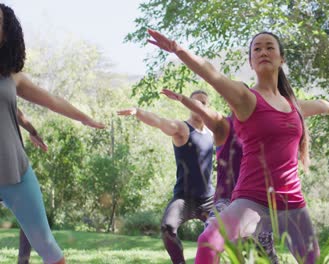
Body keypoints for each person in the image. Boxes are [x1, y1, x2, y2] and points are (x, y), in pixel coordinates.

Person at [147, 29, 329, 264]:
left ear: (281, 58)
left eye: (270, 47)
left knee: (313, 260)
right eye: (257, 49)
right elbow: (211, 74)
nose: (263, 52)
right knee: (209, 241)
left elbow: (320, 104)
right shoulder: (245, 98)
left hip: (292, 201)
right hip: (252, 199)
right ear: (251, 61)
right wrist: (179, 50)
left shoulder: (292, 105)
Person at [0, 4, 105, 264]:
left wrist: (84, 118)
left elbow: (52, 100)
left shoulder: (12, 77)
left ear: (5, 34)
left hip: (15, 171)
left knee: (47, 246)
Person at [161, 88, 279, 263]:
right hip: (226, 200)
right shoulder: (223, 125)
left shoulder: (260, 129)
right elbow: (202, 110)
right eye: (236, 98)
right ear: (229, 102)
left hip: (255, 201)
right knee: (211, 237)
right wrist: (182, 98)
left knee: (264, 252)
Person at [117, 90, 215, 264]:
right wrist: (139, 112)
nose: (200, 106)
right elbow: (160, 122)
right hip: (183, 199)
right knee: (168, 228)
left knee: (226, 233)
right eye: (196, 102)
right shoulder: (182, 129)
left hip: (208, 199)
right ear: (189, 105)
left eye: (204, 103)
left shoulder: (212, 133)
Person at [16, 108, 48, 264]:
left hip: (10, 161)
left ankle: (23, 260)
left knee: (28, 209)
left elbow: (16, 112)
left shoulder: (4, 84)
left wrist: (33, 132)